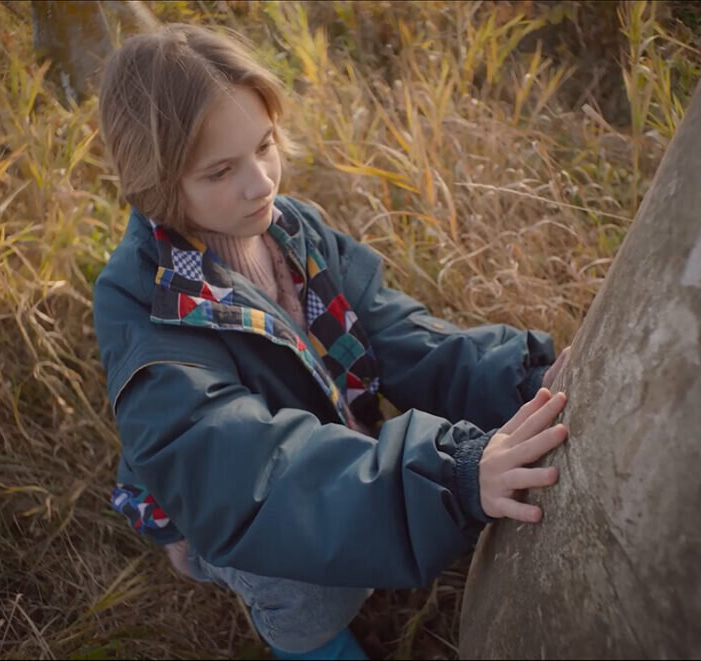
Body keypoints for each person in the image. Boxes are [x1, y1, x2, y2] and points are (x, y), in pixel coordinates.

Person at [94, 23, 571, 660]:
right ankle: (316, 647)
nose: (261, 183)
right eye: (221, 170)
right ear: (156, 181)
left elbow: (395, 333)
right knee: (304, 586)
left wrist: (520, 380)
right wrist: (444, 478)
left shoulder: (293, 230)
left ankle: (372, 511)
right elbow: (241, 471)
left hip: (325, 445)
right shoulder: (144, 301)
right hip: (225, 505)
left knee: (359, 505)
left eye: (264, 145)